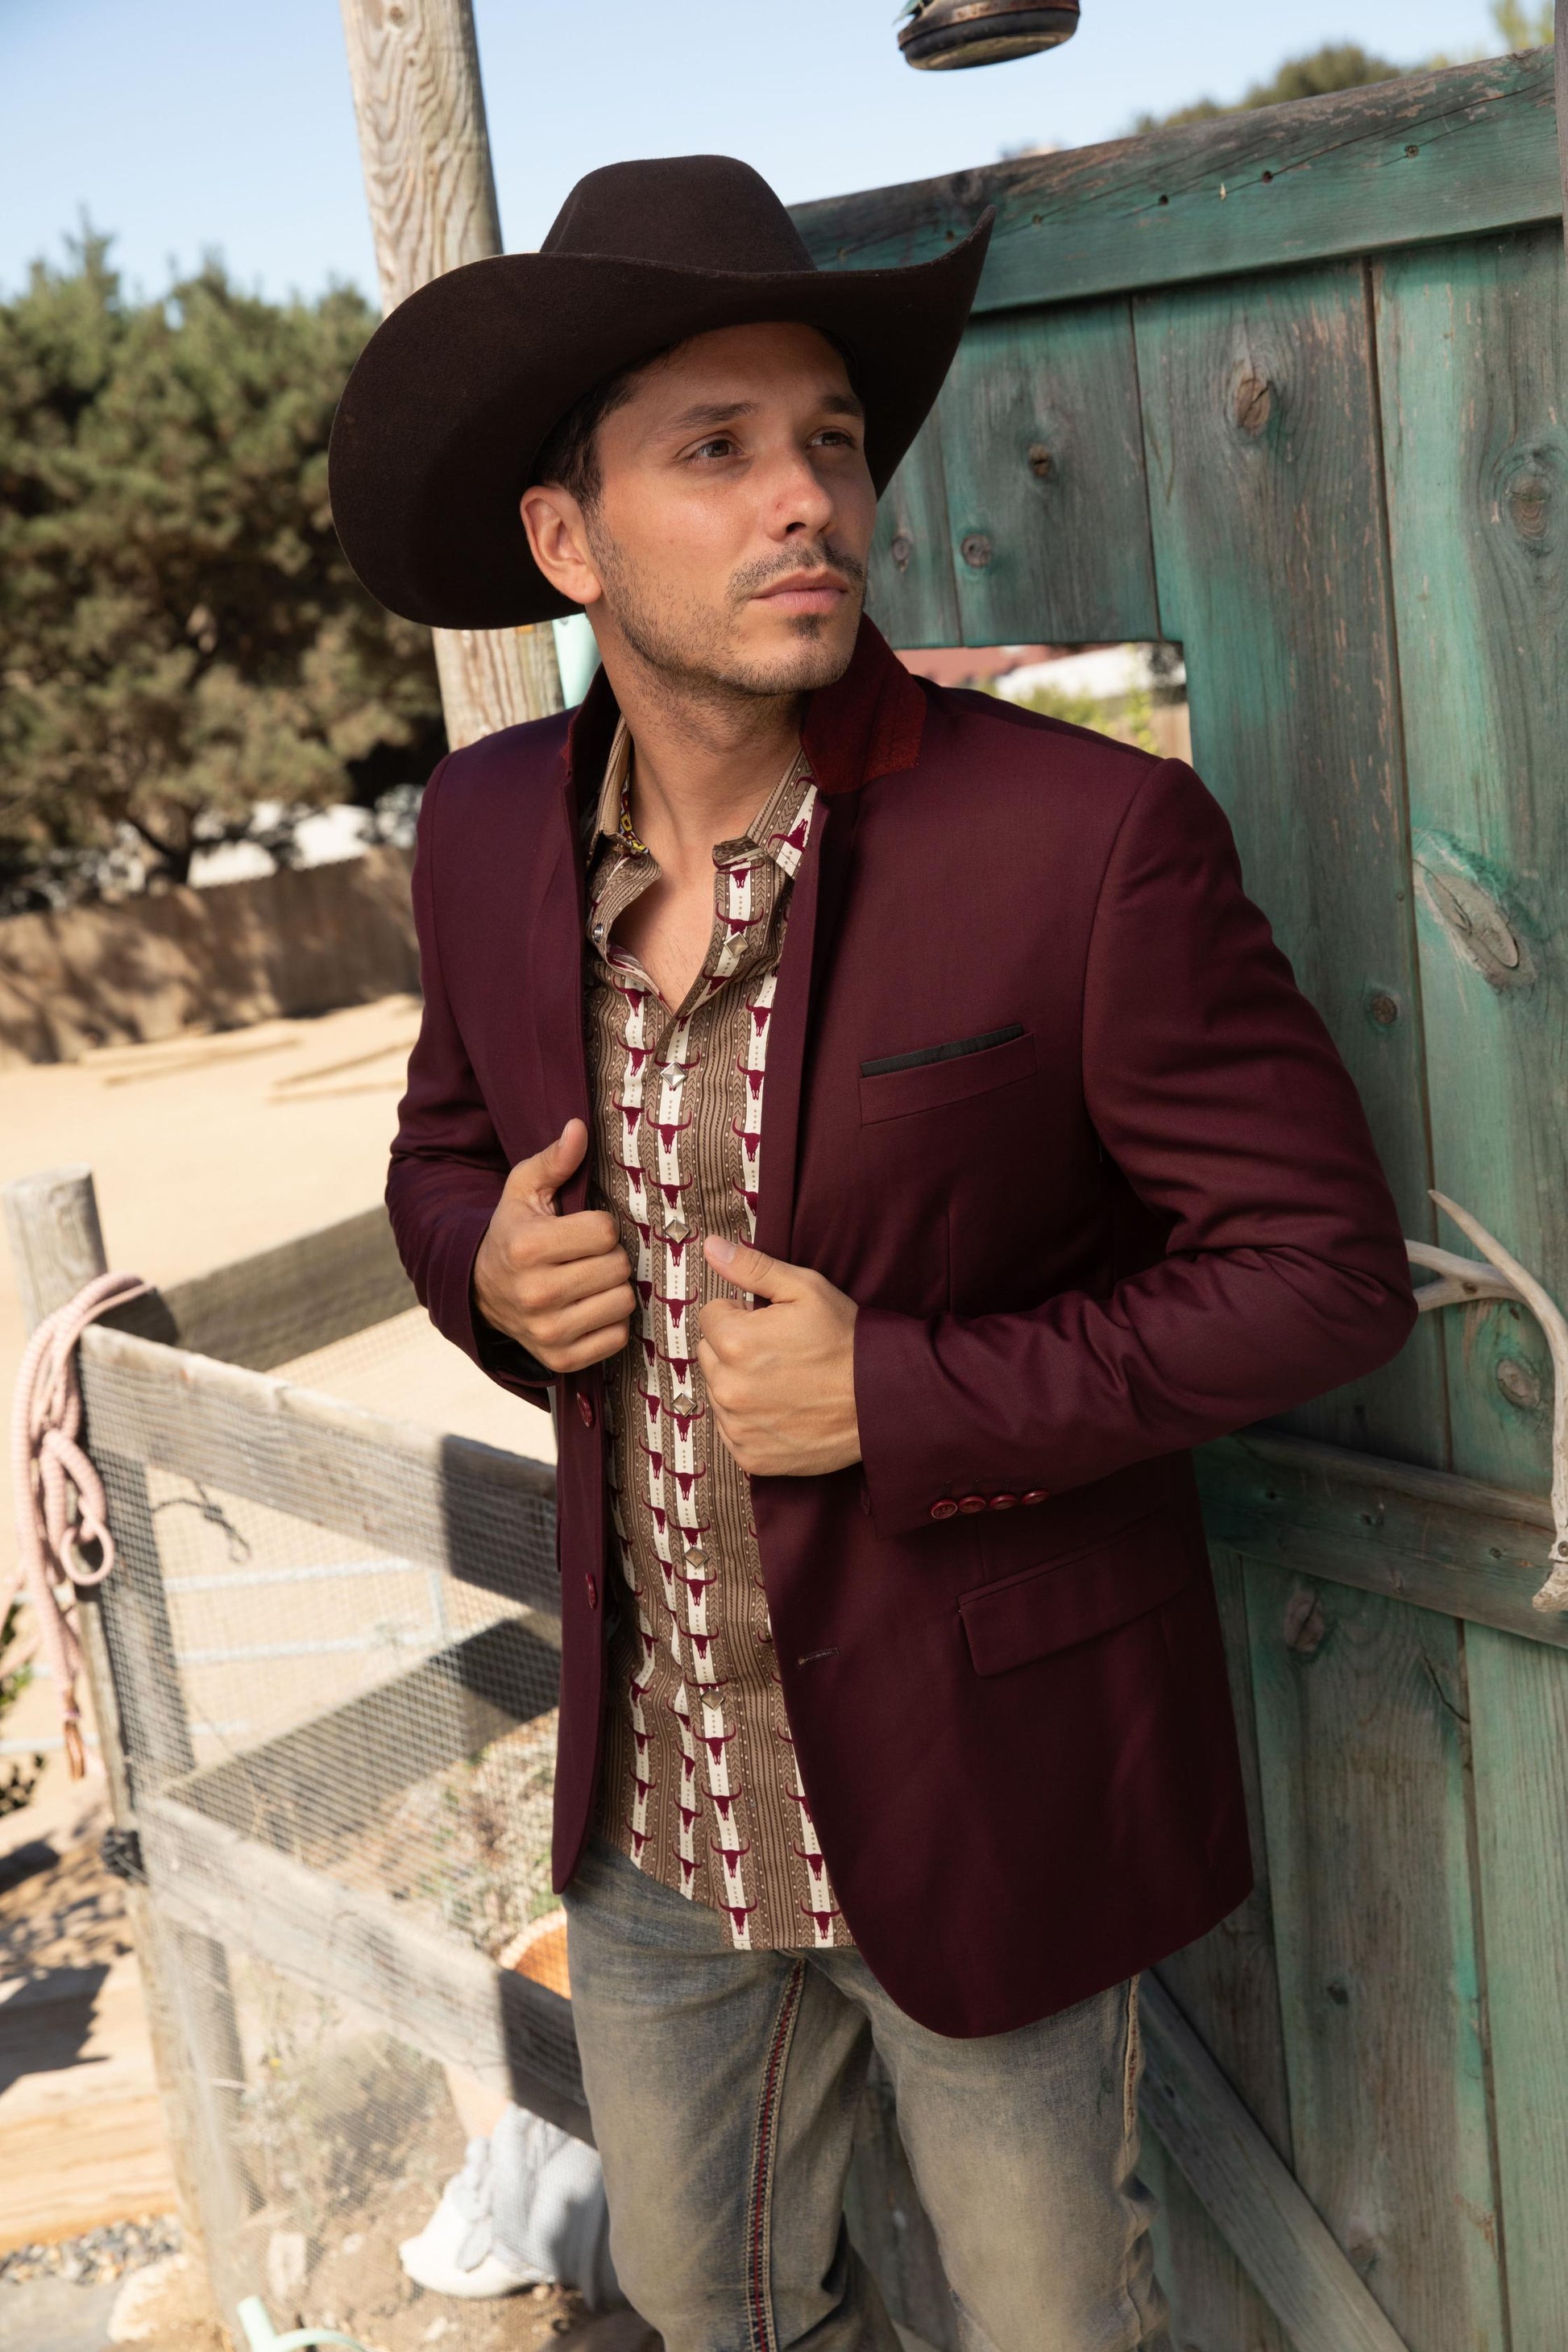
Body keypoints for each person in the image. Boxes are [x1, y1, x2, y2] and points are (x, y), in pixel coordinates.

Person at [330, 154, 1417, 2351]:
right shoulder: (474, 835)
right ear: (566, 541)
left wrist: (900, 1393)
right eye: (711, 451)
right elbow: (445, 1154)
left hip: (987, 1798)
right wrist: (481, 1271)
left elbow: (1317, 1272)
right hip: (652, 1814)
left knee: (1052, 2321)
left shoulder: (1081, 842)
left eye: (825, 436)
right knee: (697, 2303)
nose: (802, 496)